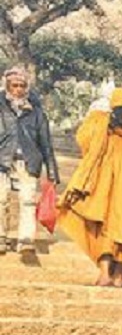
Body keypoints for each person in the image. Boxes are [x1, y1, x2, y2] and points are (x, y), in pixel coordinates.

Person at [57, 88, 122, 287]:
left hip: (107, 183)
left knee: (107, 226)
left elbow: (84, 142)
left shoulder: (104, 124)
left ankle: (105, 273)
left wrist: (96, 117)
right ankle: (118, 277)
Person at [0, 66, 60, 254]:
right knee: (1, 199)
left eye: (21, 86)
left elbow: (46, 144)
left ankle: (26, 239)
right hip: (2, 160)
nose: (17, 89)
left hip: (28, 163)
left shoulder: (37, 114)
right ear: (7, 87)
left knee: (27, 200)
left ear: (27, 88)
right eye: (14, 85)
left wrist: (52, 172)